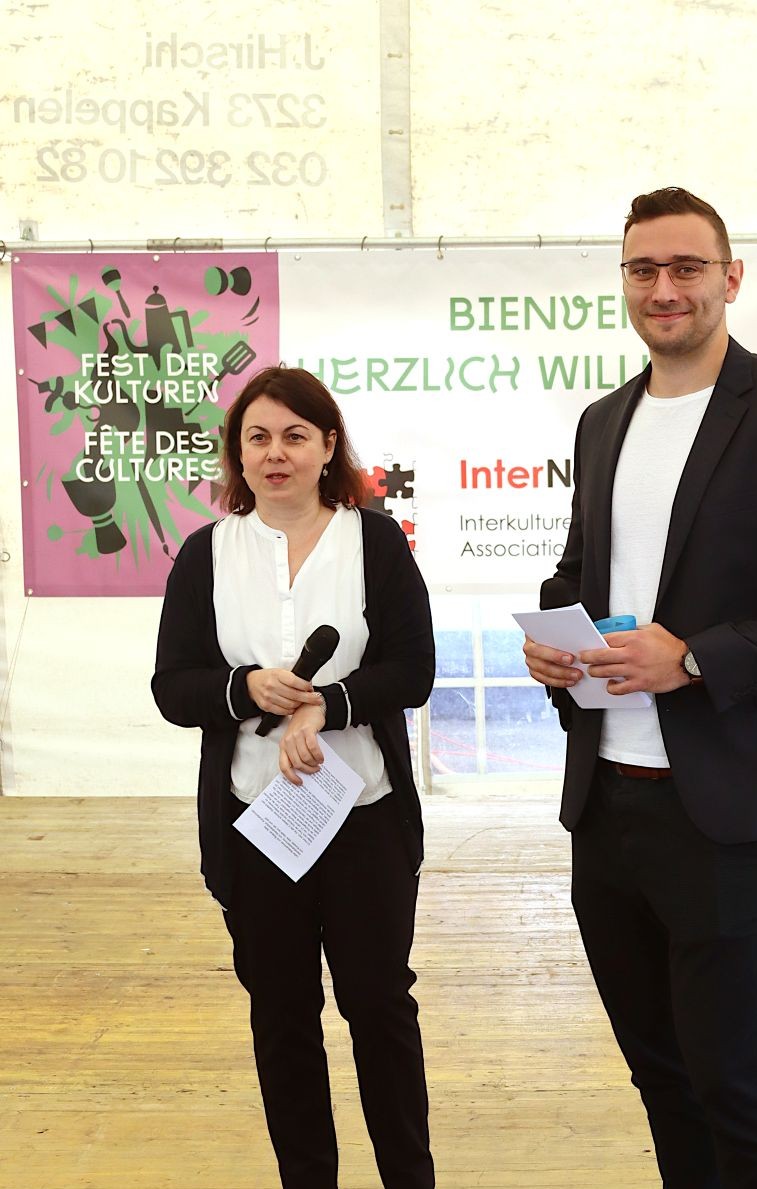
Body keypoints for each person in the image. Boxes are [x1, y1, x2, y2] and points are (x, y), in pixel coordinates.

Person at [523, 187, 757, 1189]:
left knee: (737, 1079)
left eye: (687, 268)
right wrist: (552, 641)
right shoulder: (603, 421)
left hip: (730, 804)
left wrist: (690, 657)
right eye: (643, 269)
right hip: (606, 800)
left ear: (731, 278)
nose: (664, 288)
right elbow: (579, 573)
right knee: (662, 1076)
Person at [152, 365, 435, 1189]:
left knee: (379, 1007)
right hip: (256, 822)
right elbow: (173, 687)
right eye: (258, 437)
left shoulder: (374, 540)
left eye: (294, 436)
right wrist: (244, 688)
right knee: (281, 1017)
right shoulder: (206, 554)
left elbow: (414, 669)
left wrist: (328, 704)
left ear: (328, 446)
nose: (276, 453)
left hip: (366, 816)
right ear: (237, 453)